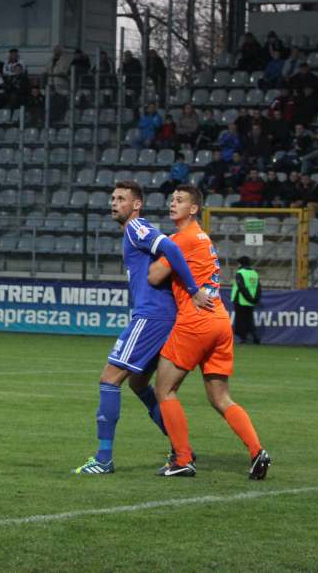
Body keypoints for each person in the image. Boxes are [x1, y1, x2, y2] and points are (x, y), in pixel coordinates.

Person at [72, 181, 211, 475]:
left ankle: (103, 459)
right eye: (112, 198)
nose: (114, 202)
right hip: (160, 317)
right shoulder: (133, 233)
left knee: (109, 379)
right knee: (137, 383)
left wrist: (192, 288)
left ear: (136, 205)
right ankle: (181, 450)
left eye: (121, 198)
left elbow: (170, 247)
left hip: (151, 318)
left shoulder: (137, 228)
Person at [147, 186, 270, 479]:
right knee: (220, 397)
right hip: (219, 319)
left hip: (196, 321)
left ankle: (182, 459)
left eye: (180, 200)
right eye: (171, 199)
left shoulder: (182, 239)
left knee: (165, 390)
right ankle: (257, 451)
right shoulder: (203, 237)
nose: (172, 204)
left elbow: (153, 276)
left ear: (194, 209)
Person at [231, 256, 262, 345]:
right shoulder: (254, 273)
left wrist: (248, 298)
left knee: (241, 320)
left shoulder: (240, 273)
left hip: (241, 300)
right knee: (249, 319)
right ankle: (255, 337)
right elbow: (258, 287)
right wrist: (255, 299)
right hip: (251, 300)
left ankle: (243, 338)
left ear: (240, 263)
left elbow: (241, 287)